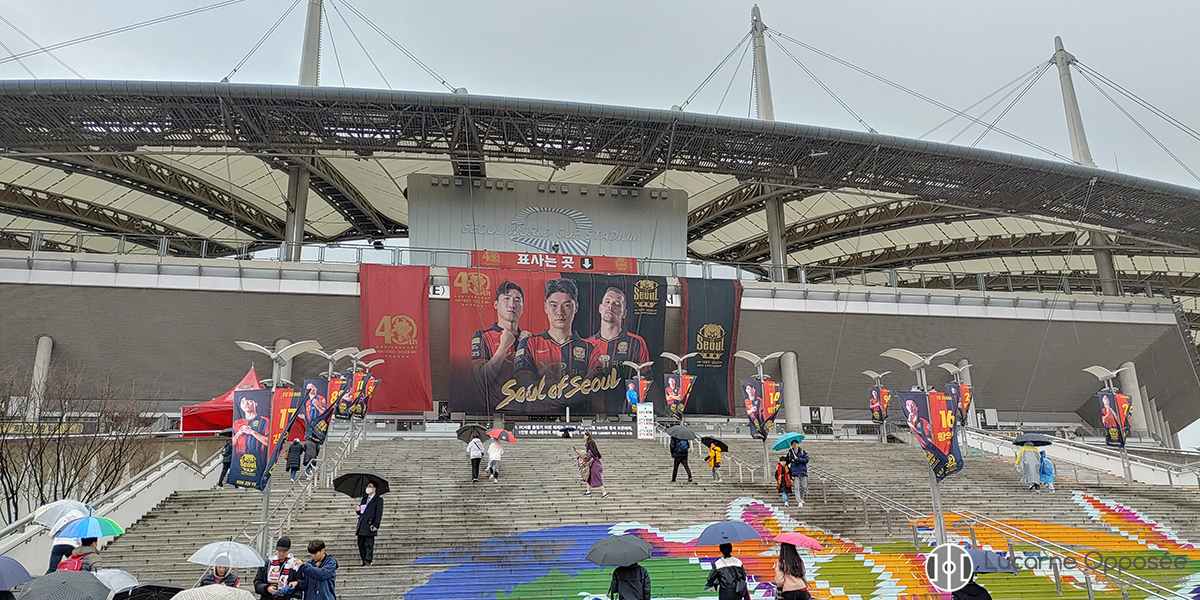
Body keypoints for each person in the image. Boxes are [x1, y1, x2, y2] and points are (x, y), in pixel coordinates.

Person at [512, 279, 607, 411]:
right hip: (538, 421)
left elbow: (596, 392)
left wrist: (542, 387)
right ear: (545, 307)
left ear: (576, 307)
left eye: (566, 305)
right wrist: (579, 387)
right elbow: (525, 388)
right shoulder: (529, 344)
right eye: (553, 305)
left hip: (578, 420)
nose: (560, 312)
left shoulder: (591, 349)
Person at [586, 287, 651, 414]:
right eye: (607, 302)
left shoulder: (636, 342)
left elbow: (646, 381)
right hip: (591, 416)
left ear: (624, 313)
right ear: (600, 308)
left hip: (625, 416)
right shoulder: (587, 344)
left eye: (617, 304)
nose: (610, 306)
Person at [471, 281, 532, 411]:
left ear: (523, 308)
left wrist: (532, 350)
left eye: (517, 300)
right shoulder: (483, 336)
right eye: (506, 298)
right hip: (493, 411)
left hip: (526, 411)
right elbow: (480, 379)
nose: (512, 304)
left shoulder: (529, 341)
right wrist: (503, 346)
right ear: (496, 304)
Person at [232, 394, 270, 458]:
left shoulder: (265, 421)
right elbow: (232, 443)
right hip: (239, 459)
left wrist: (252, 432)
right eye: (243, 402)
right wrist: (239, 433)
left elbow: (269, 442)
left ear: (256, 404)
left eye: (249, 401)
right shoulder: (237, 422)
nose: (246, 403)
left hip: (260, 459)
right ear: (240, 406)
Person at [356, 481, 383, 566]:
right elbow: (361, 511)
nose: (368, 488)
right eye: (367, 486)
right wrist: (358, 510)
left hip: (370, 523)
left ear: (374, 489)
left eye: (370, 486)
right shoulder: (364, 499)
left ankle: (368, 560)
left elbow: (379, 513)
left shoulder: (378, 500)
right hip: (362, 524)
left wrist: (376, 524)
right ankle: (364, 559)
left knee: (369, 543)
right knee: (360, 543)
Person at [578, 432, 608, 498]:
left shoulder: (590, 452)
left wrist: (581, 455)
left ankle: (604, 492)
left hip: (594, 467)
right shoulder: (595, 452)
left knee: (597, 480)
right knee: (588, 478)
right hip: (597, 466)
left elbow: (587, 458)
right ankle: (588, 491)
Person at [785, 440, 809, 508]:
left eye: (796, 443)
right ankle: (799, 501)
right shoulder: (790, 453)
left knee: (804, 487)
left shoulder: (802, 452)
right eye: (793, 444)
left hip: (803, 472)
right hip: (795, 473)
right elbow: (787, 461)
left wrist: (798, 459)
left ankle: (801, 498)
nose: (794, 445)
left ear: (798, 444)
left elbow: (806, 460)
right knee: (796, 487)